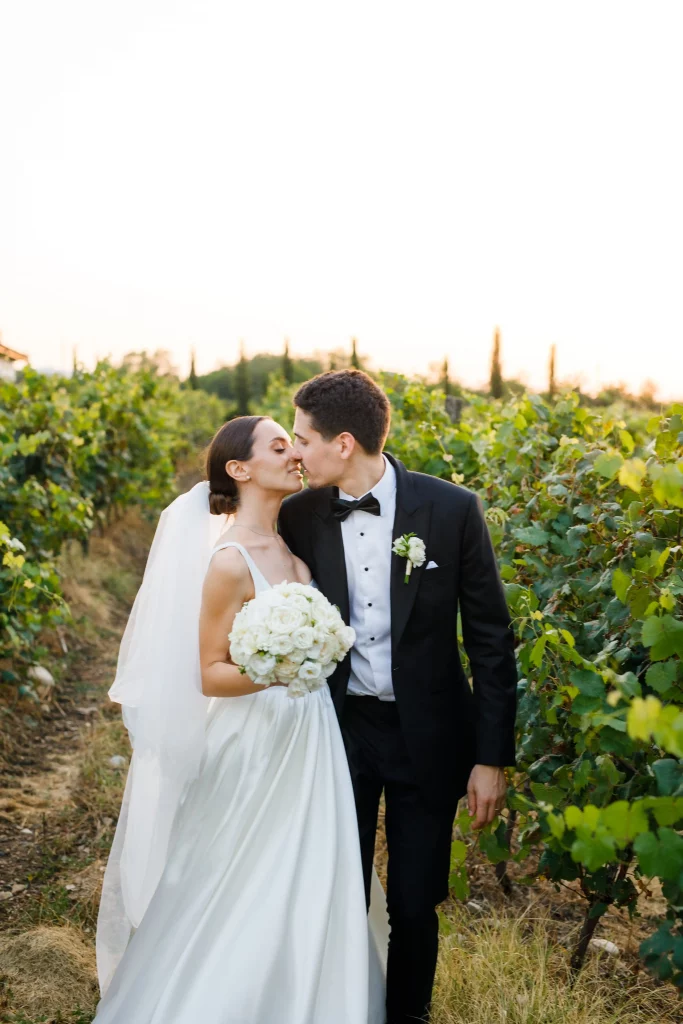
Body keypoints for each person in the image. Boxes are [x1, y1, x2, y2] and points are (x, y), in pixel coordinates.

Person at [93, 414, 387, 1024]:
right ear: (239, 469)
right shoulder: (228, 562)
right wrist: (288, 669)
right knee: (242, 877)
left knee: (311, 875)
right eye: (280, 447)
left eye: (294, 445)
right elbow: (209, 673)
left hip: (311, 736)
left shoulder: (293, 544)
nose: (294, 456)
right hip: (256, 742)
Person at [278, 369, 518, 1024]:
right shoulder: (296, 517)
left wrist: (490, 758)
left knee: (414, 904)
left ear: (344, 443)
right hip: (336, 732)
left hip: (428, 739)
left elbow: (492, 640)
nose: (295, 451)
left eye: (302, 438)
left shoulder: (450, 510)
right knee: (336, 893)